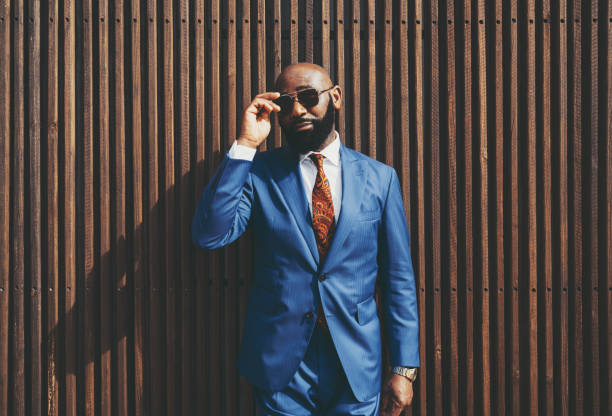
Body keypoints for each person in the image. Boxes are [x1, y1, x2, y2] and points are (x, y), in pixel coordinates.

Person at [192, 62, 419, 416]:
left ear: (336, 97)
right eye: (286, 102)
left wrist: (404, 368)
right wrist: (246, 144)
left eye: (309, 97)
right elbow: (210, 234)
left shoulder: (380, 179)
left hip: (356, 365)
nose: (298, 109)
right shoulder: (258, 174)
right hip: (282, 367)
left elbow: (398, 279)